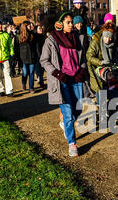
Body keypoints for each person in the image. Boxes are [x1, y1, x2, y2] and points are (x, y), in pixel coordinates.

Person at [40, 12, 89, 157]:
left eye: (71, 22)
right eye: (68, 22)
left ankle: (65, 124)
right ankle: (72, 143)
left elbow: (83, 58)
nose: (71, 25)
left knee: (78, 109)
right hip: (62, 81)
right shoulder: (52, 39)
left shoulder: (77, 38)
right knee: (68, 114)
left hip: (76, 79)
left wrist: (82, 69)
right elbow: (44, 60)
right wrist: (57, 73)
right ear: (60, 24)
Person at [19, 21, 38, 93]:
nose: (30, 27)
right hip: (24, 58)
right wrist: (18, 59)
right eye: (28, 26)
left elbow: (36, 47)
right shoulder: (20, 36)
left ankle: (31, 87)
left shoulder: (33, 35)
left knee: (31, 73)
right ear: (25, 27)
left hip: (32, 57)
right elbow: (17, 49)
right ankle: (23, 83)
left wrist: (36, 56)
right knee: (25, 73)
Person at [34, 24, 47, 89]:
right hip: (37, 56)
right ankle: (41, 82)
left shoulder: (43, 36)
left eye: (41, 28)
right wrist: (39, 55)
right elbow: (36, 47)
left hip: (43, 54)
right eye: (39, 28)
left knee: (41, 70)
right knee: (38, 69)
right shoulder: (35, 37)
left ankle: (40, 81)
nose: (41, 29)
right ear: (36, 30)